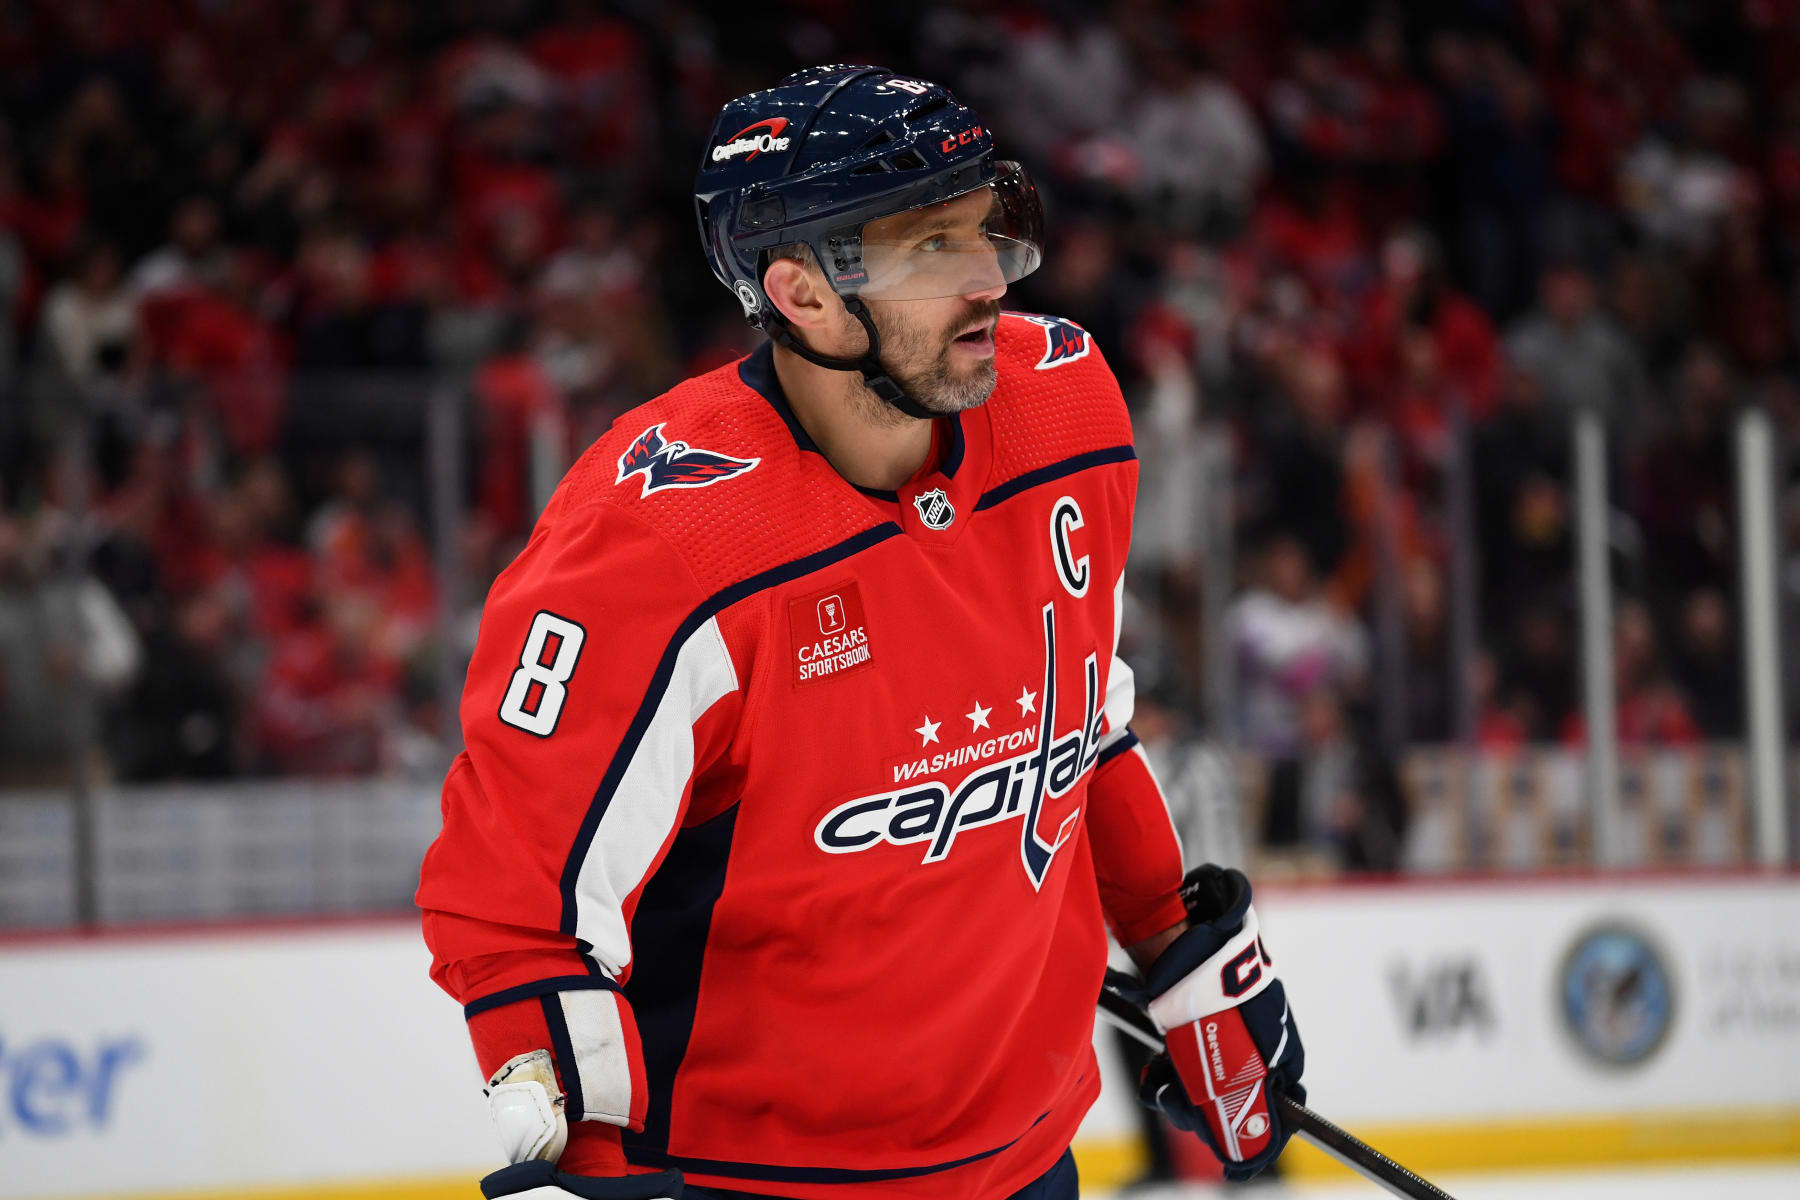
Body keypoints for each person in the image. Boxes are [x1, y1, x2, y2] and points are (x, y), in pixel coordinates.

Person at [417, 66, 1304, 1200]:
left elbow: (1086, 727)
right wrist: (579, 1161)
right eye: (930, 249)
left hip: (1027, 1165)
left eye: (984, 229)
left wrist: (1184, 952)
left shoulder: (1067, 415)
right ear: (804, 295)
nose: (989, 280)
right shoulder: (654, 547)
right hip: (751, 1182)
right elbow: (517, 906)